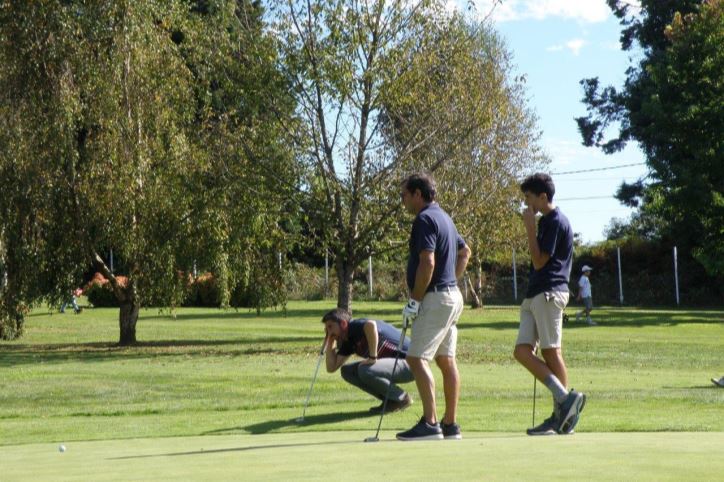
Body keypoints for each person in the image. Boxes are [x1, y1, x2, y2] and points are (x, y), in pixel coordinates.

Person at [396, 173, 471, 441]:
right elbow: (465, 252)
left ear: (418, 194)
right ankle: (450, 424)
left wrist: (415, 300)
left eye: (404, 195)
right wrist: (450, 280)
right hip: (452, 296)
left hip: (436, 298)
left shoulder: (425, 219)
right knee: (445, 360)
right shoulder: (445, 217)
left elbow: (427, 263)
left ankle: (430, 423)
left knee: (416, 358)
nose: (402, 201)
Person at [513, 173, 586, 436]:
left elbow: (539, 260)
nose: (527, 204)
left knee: (551, 352)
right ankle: (565, 401)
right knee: (522, 351)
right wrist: (533, 226)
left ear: (543, 197)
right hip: (534, 294)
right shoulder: (545, 221)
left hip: (550, 292)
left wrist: (530, 227)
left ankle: (561, 416)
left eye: (529, 198)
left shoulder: (554, 221)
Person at [322, 308, 415, 413]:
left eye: (330, 327)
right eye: (326, 329)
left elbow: (371, 325)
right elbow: (331, 367)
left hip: (412, 363)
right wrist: (330, 341)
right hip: (397, 366)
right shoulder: (349, 340)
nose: (328, 331)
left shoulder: (354, 326)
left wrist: (372, 357)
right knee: (347, 372)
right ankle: (391, 400)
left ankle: (402, 398)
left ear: (343, 323)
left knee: (365, 370)